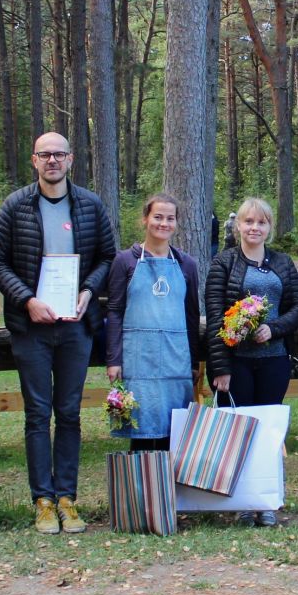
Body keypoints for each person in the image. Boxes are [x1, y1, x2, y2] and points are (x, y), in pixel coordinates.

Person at [0, 132, 116, 535]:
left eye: (59, 154)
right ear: (34, 160)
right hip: (32, 327)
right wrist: (26, 299)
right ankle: (42, 500)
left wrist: (89, 291)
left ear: (71, 159)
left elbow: (107, 257)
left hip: (76, 326)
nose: (53, 161)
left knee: (70, 413)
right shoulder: (16, 206)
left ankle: (67, 499)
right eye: (45, 155)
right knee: (38, 414)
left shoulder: (90, 205)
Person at [205, 196, 298, 528]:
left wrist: (273, 328)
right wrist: (219, 368)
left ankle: (266, 501)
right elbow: (217, 317)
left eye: (261, 222)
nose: (254, 227)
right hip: (236, 363)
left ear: (269, 227)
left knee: (267, 434)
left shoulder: (282, 262)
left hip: (274, 359)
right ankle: (241, 501)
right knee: (238, 431)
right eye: (249, 221)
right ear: (238, 226)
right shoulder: (223, 263)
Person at [104, 193, 201, 451]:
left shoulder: (186, 264)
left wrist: (192, 361)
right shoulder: (125, 261)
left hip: (175, 359)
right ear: (145, 219)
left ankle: (169, 489)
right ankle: (142, 488)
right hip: (139, 359)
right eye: (158, 217)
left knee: (174, 430)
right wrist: (114, 359)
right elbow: (114, 311)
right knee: (142, 428)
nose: (164, 223)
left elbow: (192, 315)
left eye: (170, 218)